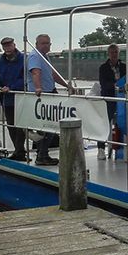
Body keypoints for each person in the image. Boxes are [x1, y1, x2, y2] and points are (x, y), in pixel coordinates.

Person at [26, 33, 73, 166]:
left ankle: (43, 153)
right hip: (43, 96)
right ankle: (42, 155)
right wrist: (38, 88)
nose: (47, 45)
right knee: (47, 126)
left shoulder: (45, 57)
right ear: (37, 44)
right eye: (44, 43)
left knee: (51, 126)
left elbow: (53, 74)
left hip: (50, 93)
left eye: (48, 43)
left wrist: (67, 85)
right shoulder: (35, 56)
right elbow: (35, 72)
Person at [0, 37, 27, 160]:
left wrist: (11, 87)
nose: (7, 48)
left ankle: (20, 152)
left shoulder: (23, 59)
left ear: (14, 45)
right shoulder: (0, 61)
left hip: (20, 97)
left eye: (9, 45)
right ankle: (19, 151)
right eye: (5, 46)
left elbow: (26, 78)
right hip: (6, 99)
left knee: (21, 125)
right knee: (11, 125)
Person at [97, 44, 128, 159]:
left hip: (122, 99)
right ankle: (101, 149)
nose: (114, 54)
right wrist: (115, 85)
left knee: (123, 122)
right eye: (112, 52)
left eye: (116, 52)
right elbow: (103, 83)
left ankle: (123, 146)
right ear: (108, 54)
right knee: (105, 123)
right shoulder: (103, 68)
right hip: (109, 99)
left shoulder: (124, 67)